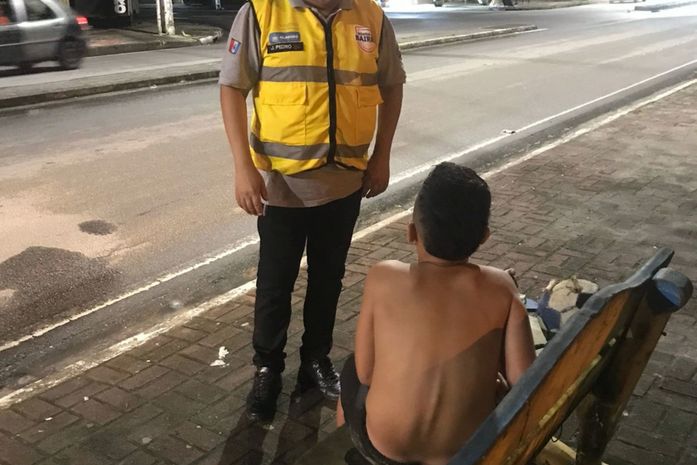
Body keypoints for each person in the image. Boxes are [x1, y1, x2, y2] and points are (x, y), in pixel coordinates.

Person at [219, 0, 405, 422]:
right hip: (281, 186)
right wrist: (242, 167)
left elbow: (392, 85)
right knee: (274, 283)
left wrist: (383, 156)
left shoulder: (370, 16)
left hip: (346, 183)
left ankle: (315, 360)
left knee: (328, 278)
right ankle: (267, 367)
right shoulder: (263, 12)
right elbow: (231, 87)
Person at [337, 162, 536, 465]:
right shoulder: (502, 287)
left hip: (387, 447)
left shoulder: (383, 277)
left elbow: (366, 372)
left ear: (411, 232)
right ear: (483, 236)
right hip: (463, 452)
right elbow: (525, 383)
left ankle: (348, 450)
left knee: (352, 369)